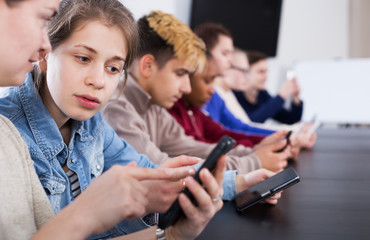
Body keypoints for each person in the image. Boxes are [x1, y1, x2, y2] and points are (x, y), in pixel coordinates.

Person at [0, 0, 224, 239]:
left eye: (113, 68)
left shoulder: (92, 124)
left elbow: (152, 173)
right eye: (84, 58)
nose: (98, 81)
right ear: (45, 56)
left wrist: (171, 234)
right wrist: (90, 213)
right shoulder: (10, 135)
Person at [103, 10, 289, 183]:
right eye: (181, 73)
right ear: (148, 66)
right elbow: (162, 170)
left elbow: (193, 148)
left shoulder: (154, 107)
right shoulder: (117, 110)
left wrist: (253, 153)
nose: (187, 87)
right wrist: (253, 163)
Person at [233, 50, 303, 124]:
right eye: (261, 72)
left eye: (266, 71)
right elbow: (251, 122)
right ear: (246, 71)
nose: (266, 76)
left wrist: (296, 99)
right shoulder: (234, 94)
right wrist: (281, 96)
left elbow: (290, 120)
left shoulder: (262, 94)